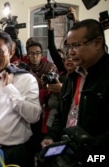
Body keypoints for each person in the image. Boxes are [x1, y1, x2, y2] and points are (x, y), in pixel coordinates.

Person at [41, 19, 109, 167]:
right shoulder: (72, 77)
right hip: (67, 152)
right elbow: (61, 114)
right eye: (69, 46)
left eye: (76, 46)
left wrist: (90, 154)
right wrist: (52, 137)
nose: (70, 52)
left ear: (97, 43)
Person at [0, 31, 42, 166]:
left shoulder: (27, 80)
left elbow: (34, 116)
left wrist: (10, 89)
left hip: (14, 152)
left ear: (10, 52)